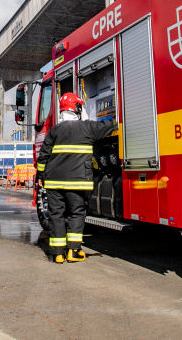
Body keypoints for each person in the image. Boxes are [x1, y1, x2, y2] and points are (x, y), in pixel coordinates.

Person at [37, 92, 114, 263]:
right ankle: (73, 251)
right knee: (76, 213)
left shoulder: (54, 131)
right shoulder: (87, 127)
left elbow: (43, 156)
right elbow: (109, 125)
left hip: (54, 182)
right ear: (77, 108)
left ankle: (57, 254)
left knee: (56, 215)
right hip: (76, 182)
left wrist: (40, 176)